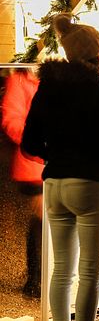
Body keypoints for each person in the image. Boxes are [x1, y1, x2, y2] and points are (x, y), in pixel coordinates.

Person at [20, 14, 99, 321]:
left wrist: (57, 156)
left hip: (54, 184)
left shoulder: (47, 89)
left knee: (61, 271)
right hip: (91, 186)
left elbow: (29, 144)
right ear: (95, 55)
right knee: (90, 273)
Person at [1, 67, 44, 298]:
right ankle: (36, 280)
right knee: (43, 219)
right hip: (32, 165)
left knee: (46, 221)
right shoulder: (19, 80)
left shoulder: (57, 77)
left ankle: (39, 279)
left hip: (54, 163)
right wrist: (38, 141)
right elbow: (11, 121)